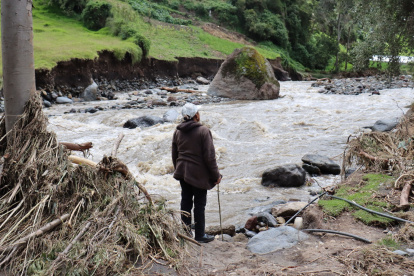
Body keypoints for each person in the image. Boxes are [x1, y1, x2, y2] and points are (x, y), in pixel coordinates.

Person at [172, 103, 222, 243]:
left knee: (185, 202)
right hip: (198, 175)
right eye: (198, 112)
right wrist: (216, 176)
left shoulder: (178, 131)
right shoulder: (203, 131)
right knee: (199, 204)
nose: (199, 114)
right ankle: (200, 235)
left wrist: (178, 169)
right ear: (195, 116)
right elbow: (210, 157)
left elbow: (174, 154)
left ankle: (186, 234)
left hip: (182, 172)